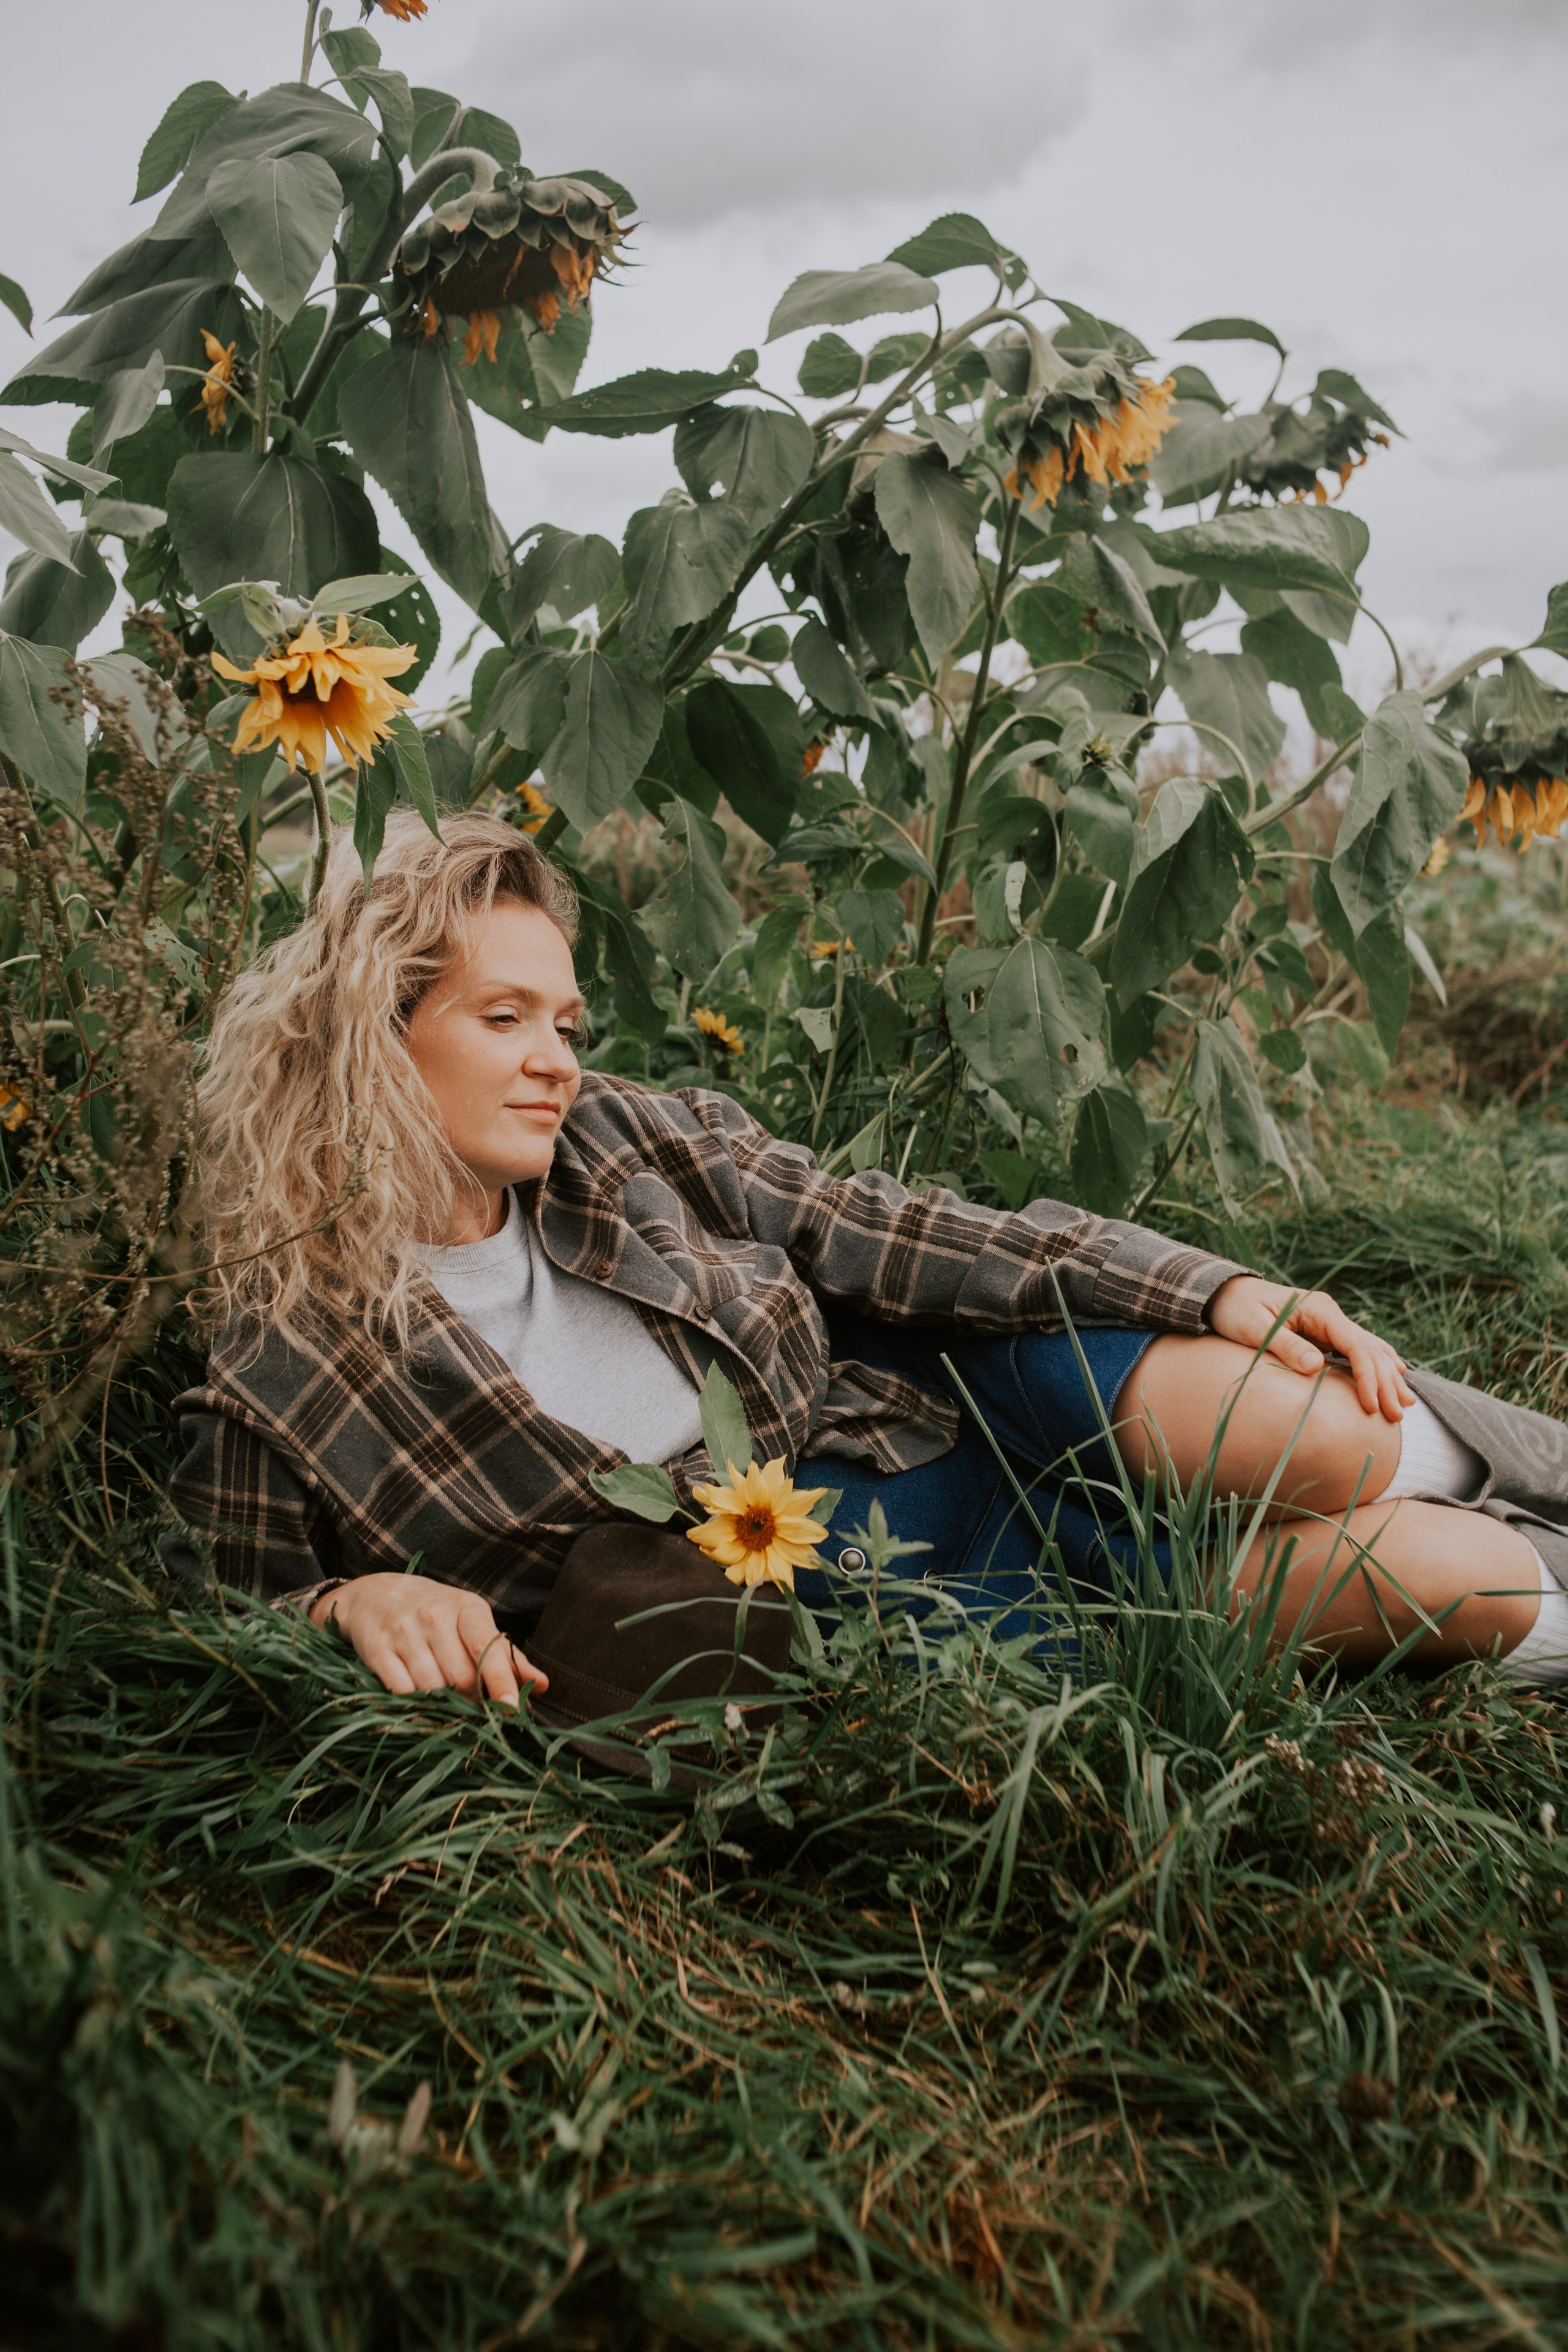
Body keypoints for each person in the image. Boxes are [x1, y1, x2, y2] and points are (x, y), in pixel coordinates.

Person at [164, 812, 1568, 1706]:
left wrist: (1207, 1287)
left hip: (939, 1414)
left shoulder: (623, 1140)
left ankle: (1537, 1468)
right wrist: (348, 1598)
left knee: (1307, 1426)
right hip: (885, 1616)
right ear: (373, 1034)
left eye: (568, 1022)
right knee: (1465, 1586)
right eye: (505, 1018)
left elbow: (877, 1226)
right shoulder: (287, 1373)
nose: (554, 1062)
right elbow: (213, 1617)